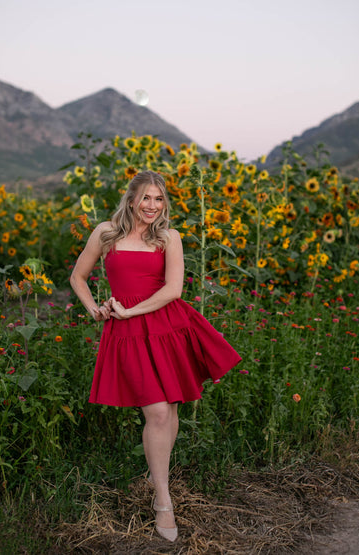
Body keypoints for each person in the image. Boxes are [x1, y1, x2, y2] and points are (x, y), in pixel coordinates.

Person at [70, 170, 242, 542]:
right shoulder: (105, 232)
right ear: (131, 199)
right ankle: (163, 499)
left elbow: (174, 289)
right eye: (146, 198)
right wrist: (94, 309)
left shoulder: (169, 237)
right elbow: (78, 277)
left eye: (159, 199)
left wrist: (133, 311)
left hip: (166, 325)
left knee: (170, 408)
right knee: (158, 411)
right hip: (127, 331)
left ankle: (156, 477)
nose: (152, 206)